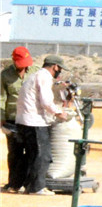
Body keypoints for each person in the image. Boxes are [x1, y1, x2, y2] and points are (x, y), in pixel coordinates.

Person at [15, 55, 70, 195]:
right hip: (35, 121)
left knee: (31, 154)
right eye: (60, 69)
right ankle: (37, 187)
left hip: (23, 120)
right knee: (42, 155)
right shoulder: (44, 77)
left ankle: (27, 185)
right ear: (55, 67)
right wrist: (59, 113)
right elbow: (46, 102)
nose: (59, 72)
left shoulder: (35, 75)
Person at [2, 47, 33, 192]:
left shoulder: (35, 71)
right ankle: (13, 183)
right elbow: (1, 98)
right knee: (15, 152)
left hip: (31, 118)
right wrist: (1, 118)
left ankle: (28, 182)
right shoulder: (5, 75)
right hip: (12, 119)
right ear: (14, 61)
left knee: (32, 151)